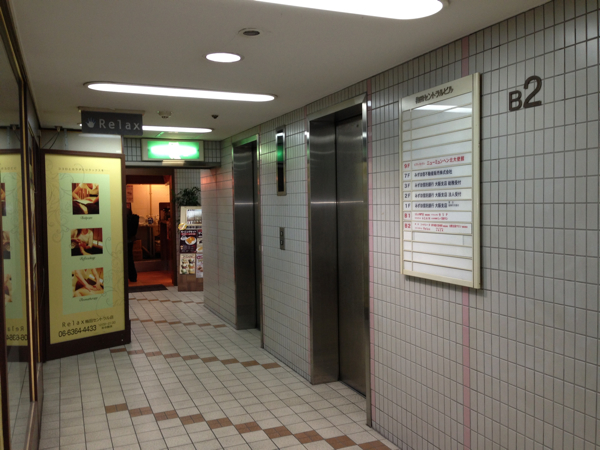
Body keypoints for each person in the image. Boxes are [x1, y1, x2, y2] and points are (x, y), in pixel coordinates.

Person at [127, 207, 139, 282]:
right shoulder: (134, 218)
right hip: (130, 240)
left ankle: (127, 276)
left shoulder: (125, 219)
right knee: (130, 258)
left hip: (124, 240)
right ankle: (133, 277)